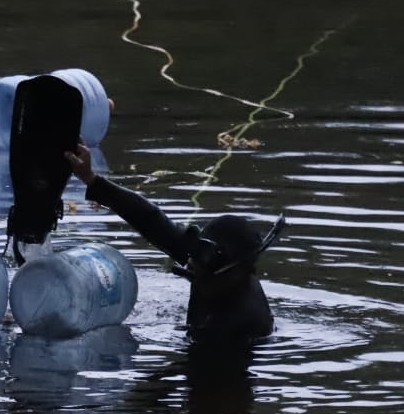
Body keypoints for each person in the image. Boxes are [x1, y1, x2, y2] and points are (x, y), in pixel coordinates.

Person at [64, 141, 282, 347]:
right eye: (194, 266)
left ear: (240, 273)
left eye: (202, 275)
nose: (192, 271)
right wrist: (91, 179)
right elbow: (152, 220)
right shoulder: (210, 265)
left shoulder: (236, 325)